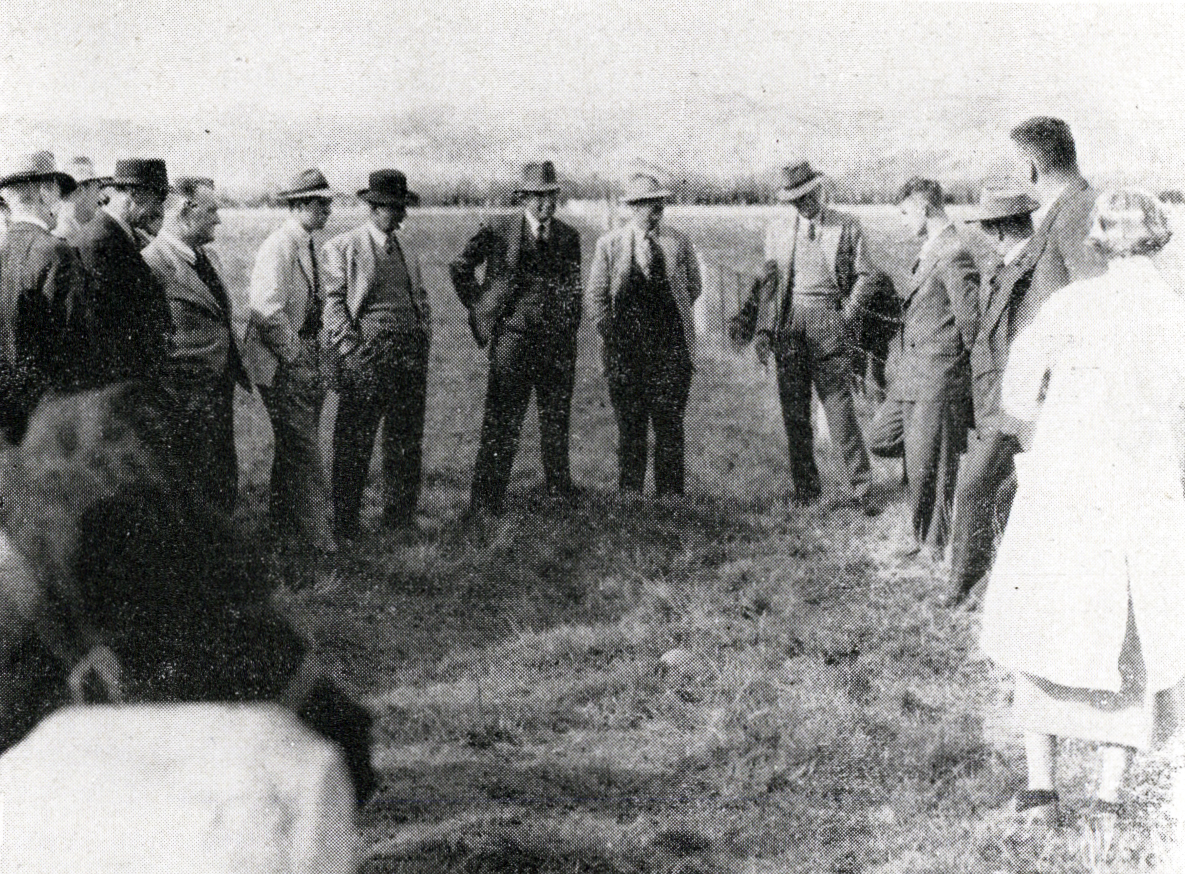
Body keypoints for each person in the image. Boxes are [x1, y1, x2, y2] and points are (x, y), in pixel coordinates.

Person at [980, 189, 1183, 845]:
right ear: (1160, 239)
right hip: (1141, 492)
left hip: (1066, 488)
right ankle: (1107, 800)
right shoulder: (1174, 315)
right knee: (1132, 639)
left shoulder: (1070, 304)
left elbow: (1015, 388)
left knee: (1043, 621)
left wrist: (1053, 424)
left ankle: (1040, 790)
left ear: (1097, 239)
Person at [450, 161, 582, 518]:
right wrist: (481, 306)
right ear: (523, 198)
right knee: (502, 420)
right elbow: (460, 266)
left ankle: (558, 496)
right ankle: (486, 504)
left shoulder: (569, 237)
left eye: (550, 196)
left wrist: (568, 330)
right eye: (537, 197)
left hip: (555, 347)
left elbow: (573, 289)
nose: (545, 205)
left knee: (555, 422)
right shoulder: (499, 229)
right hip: (512, 342)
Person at [744, 161, 878, 511]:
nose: (803, 204)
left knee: (840, 410)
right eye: (795, 200)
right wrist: (763, 330)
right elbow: (770, 286)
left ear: (819, 189)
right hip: (789, 328)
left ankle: (861, 491)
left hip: (829, 326)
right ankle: (806, 491)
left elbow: (867, 276)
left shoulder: (847, 225)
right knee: (795, 413)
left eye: (807, 195)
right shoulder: (776, 231)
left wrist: (845, 316)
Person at [868, 178, 978, 556]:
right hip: (912, 377)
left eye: (904, 212)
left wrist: (961, 380)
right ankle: (925, 535)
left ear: (923, 207)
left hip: (939, 377)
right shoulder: (933, 248)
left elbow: (971, 324)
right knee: (883, 439)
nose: (903, 221)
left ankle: (932, 543)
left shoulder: (954, 251)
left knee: (935, 462)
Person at [322, 170, 430, 542]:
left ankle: (399, 518)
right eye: (392, 209)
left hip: (409, 359)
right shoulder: (343, 247)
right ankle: (345, 523)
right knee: (354, 442)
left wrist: (421, 338)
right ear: (373, 208)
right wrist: (351, 351)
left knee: (405, 440)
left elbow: (421, 300)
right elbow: (333, 305)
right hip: (365, 359)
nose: (400, 216)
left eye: (402, 208)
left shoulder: (408, 249)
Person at [946, 189, 1039, 605]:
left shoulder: (1033, 268)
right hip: (994, 399)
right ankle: (983, 585)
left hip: (1011, 403)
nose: (984, 234)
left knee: (973, 488)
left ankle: (968, 585)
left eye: (987, 226)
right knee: (1000, 493)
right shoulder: (1007, 266)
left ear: (1000, 228)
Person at [588, 174, 700, 498]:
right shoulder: (609, 245)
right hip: (626, 352)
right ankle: (631, 498)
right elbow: (596, 298)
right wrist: (613, 338)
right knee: (631, 427)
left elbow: (694, 286)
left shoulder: (679, 242)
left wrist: (667, 317)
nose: (657, 211)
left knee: (669, 426)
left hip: (670, 350)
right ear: (633, 208)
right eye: (651, 205)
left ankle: (671, 499)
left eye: (660, 205)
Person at [143, 177, 250, 515]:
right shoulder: (151, 264)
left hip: (218, 388)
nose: (218, 219)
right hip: (182, 395)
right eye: (212, 211)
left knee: (220, 472)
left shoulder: (209, 258)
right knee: (188, 480)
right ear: (185, 213)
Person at [246, 169, 336, 551]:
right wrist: (296, 355)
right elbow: (266, 310)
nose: (328, 210)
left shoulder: (309, 243)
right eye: (320, 204)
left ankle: (284, 528)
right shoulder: (279, 246)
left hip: (305, 357)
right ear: (298, 205)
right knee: (304, 450)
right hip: (283, 363)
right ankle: (319, 541)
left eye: (328, 203)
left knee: (294, 445)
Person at [0, 152, 89, 442]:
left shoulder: (4, 248)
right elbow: (77, 343)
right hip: (44, 418)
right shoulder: (55, 252)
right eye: (58, 194)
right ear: (45, 192)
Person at [69, 159, 173, 388]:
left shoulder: (114, 235)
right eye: (159, 200)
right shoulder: (100, 243)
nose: (160, 211)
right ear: (135, 194)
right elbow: (105, 329)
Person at [53, 157, 109, 239]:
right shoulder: (69, 237)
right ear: (80, 191)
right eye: (97, 189)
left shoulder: (61, 230)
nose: (99, 198)